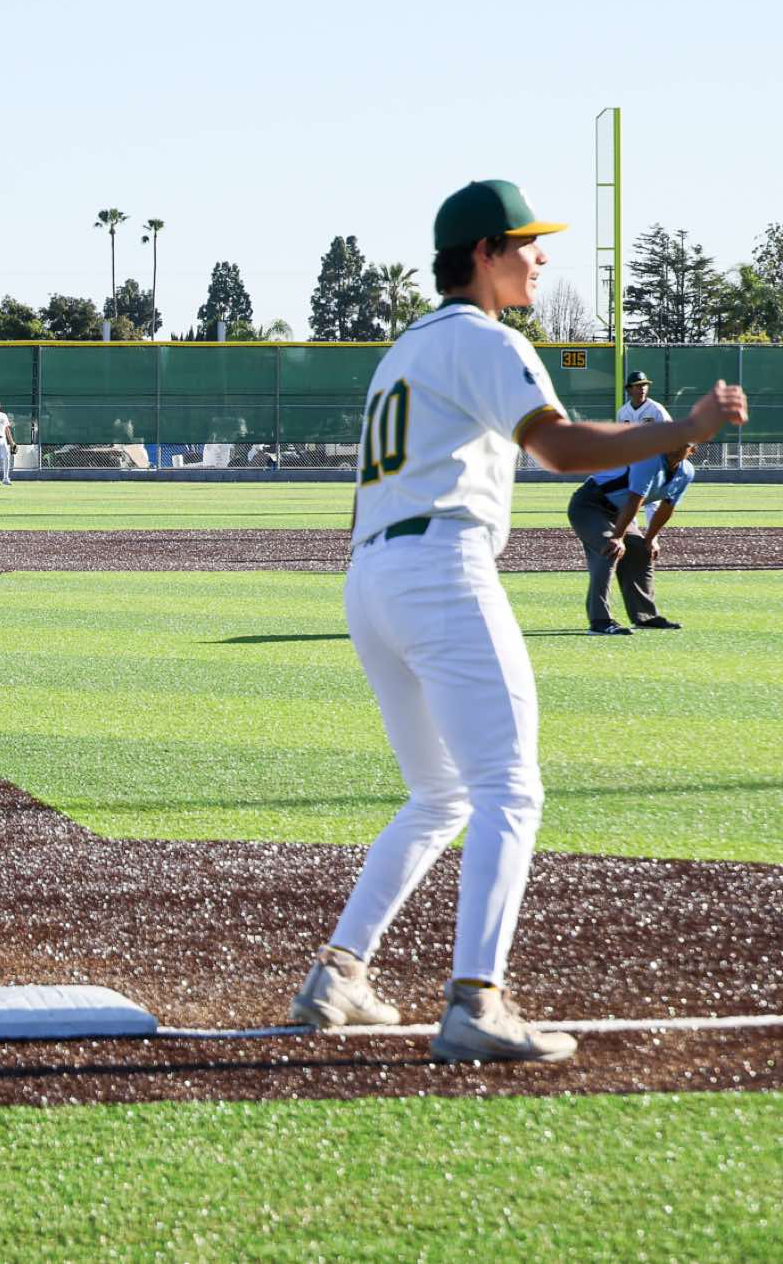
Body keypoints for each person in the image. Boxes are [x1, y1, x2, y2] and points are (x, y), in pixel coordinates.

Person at [287, 179, 747, 1063]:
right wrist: (679, 429)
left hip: (373, 576)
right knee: (510, 786)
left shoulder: (403, 351)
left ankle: (339, 971)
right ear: (485, 252)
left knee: (440, 793)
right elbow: (559, 447)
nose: (541, 257)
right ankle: (476, 1002)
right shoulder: (486, 338)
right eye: (526, 242)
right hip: (440, 569)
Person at [567, 444, 696, 633]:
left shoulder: (686, 472)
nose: (675, 447)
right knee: (610, 549)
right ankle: (600, 621)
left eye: (683, 444)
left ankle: (645, 617)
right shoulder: (649, 460)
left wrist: (650, 539)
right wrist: (617, 537)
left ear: (692, 450)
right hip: (590, 505)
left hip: (619, 511)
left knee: (641, 550)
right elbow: (635, 500)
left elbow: (667, 508)